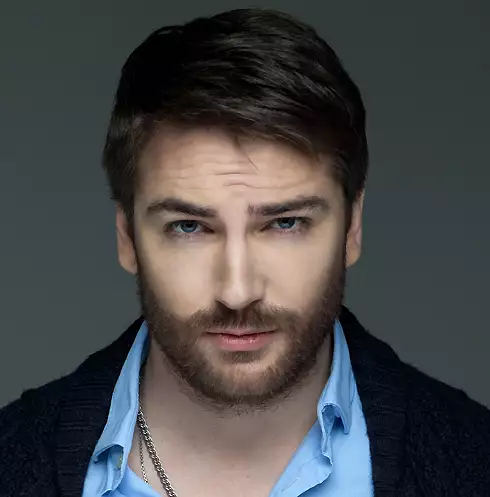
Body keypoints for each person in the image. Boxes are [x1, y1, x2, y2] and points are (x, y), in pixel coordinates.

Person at [1, 8, 489, 497]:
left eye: (285, 223)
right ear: (127, 235)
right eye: (189, 227)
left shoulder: (473, 461)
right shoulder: (13, 459)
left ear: (352, 227)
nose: (237, 292)